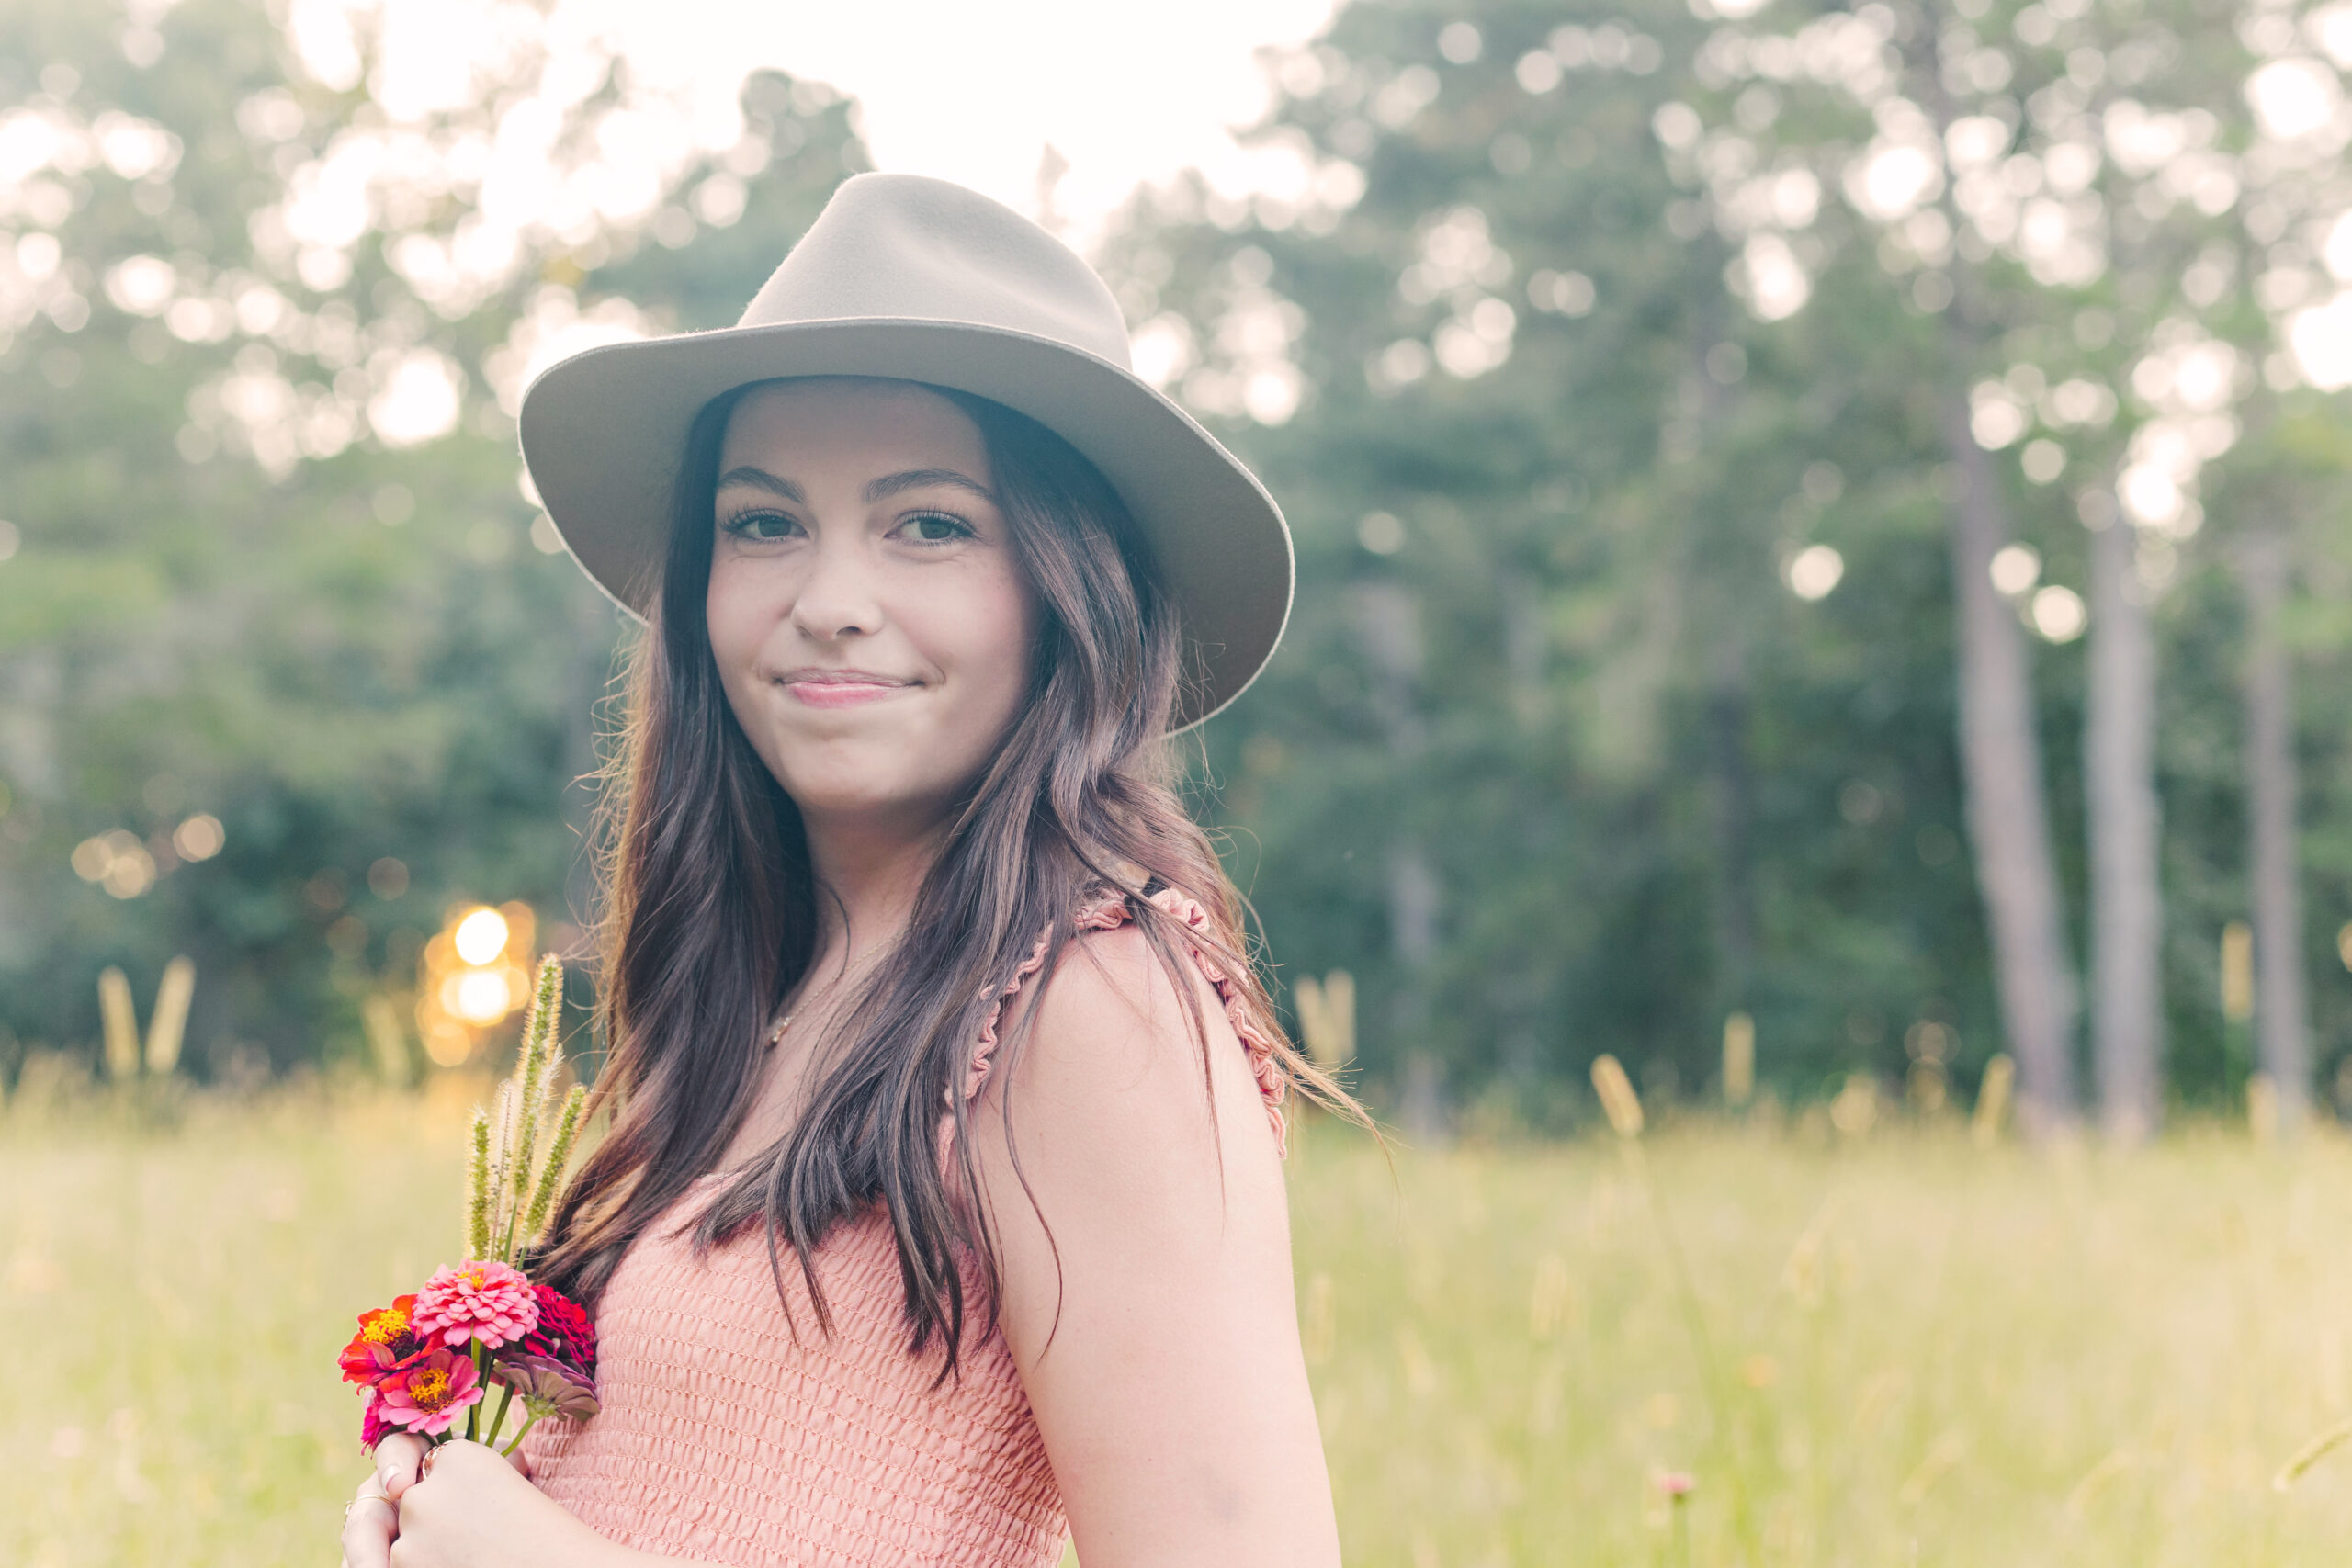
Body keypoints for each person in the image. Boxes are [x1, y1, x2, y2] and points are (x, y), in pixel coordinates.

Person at [339, 173, 1361, 1568]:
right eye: (763, 524)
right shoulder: (759, 1003)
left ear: (1072, 588)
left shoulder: (1090, 1007)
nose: (828, 601)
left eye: (929, 525)